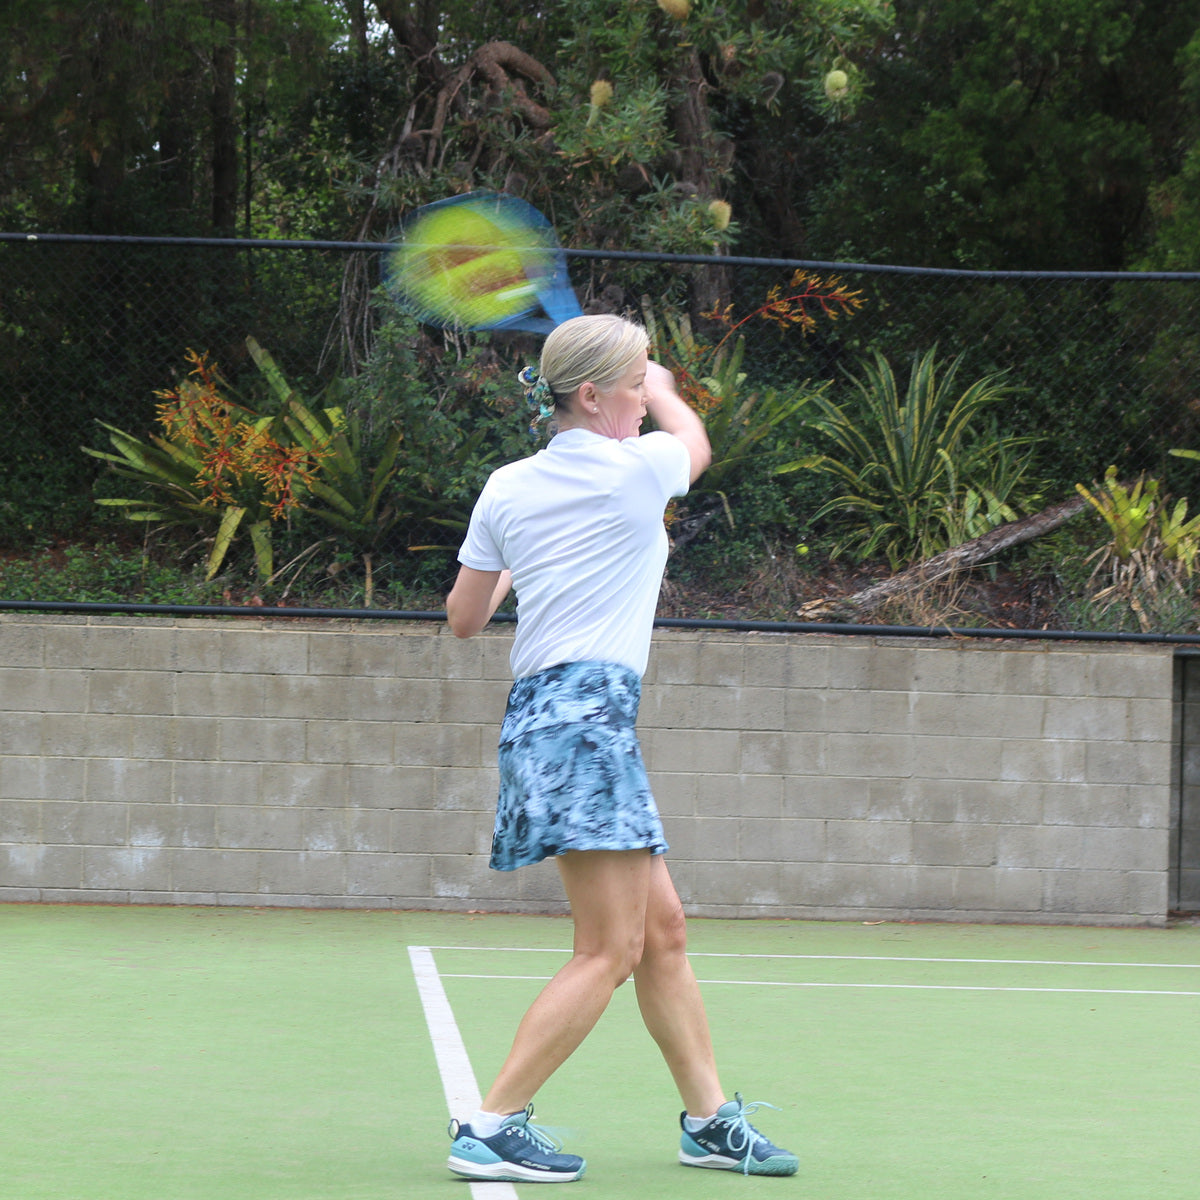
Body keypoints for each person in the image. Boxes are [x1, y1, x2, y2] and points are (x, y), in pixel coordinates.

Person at [444, 313, 798, 1183]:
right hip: (586, 726)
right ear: (593, 394)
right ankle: (491, 1124)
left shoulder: (506, 486)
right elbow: (698, 444)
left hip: (542, 722)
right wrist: (675, 394)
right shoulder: (638, 468)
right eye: (635, 383)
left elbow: (464, 618)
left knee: (663, 930)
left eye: (650, 383)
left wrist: (542, 557)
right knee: (608, 949)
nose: (647, 397)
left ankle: (709, 1121)